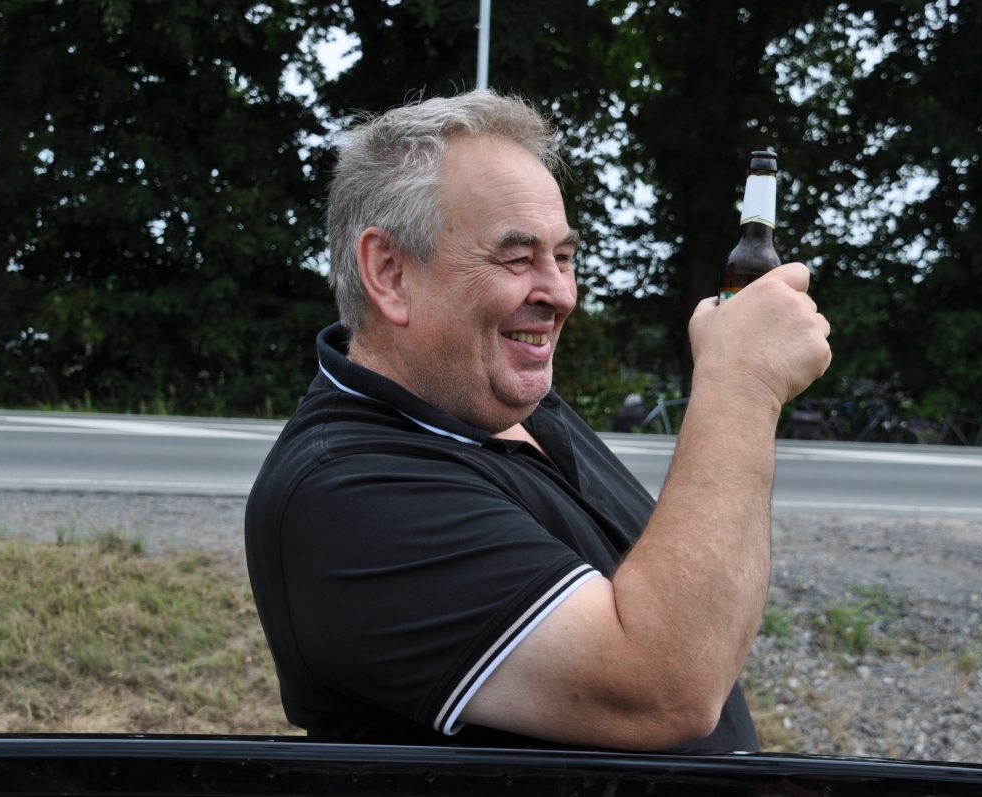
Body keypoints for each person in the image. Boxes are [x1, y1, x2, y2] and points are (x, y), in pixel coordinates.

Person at [244, 90, 831, 753]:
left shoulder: (508, 400)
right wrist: (741, 382)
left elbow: (681, 598)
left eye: (565, 256)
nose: (560, 293)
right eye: (518, 258)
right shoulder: (345, 494)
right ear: (390, 272)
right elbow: (665, 687)